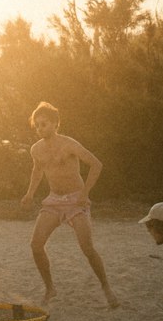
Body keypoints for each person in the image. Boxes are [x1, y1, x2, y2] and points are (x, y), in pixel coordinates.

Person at [21, 102, 119, 308]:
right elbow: (37, 171)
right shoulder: (36, 149)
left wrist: (85, 193)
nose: (40, 128)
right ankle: (50, 288)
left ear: (56, 123)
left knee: (87, 248)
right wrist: (29, 193)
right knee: (36, 246)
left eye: (44, 124)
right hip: (54, 201)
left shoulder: (69, 144)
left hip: (76, 200)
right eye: (37, 125)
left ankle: (106, 287)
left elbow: (96, 164)